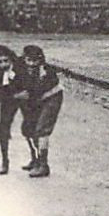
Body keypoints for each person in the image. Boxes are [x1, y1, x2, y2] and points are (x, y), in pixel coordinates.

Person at [18, 44, 63, 178]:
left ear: (40, 60)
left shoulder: (46, 72)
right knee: (27, 128)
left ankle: (44, 165)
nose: (32, 64)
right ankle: (35, 159)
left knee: (41, 129)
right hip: (35, 98)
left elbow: (36, 92)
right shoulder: (19, 68)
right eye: (28, 60)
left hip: (51, 98)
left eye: (35, 61)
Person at [0, 45, 28, 174]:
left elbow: (30, 86)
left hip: (26, 100)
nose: (3, 64)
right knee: (3, 129)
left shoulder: (21, 68)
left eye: (6, 61)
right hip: (10, 100)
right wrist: (15, 96)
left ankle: (36, 159)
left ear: (11, 59)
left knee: (30, 127)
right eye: (0, 61)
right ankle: (5, 161)